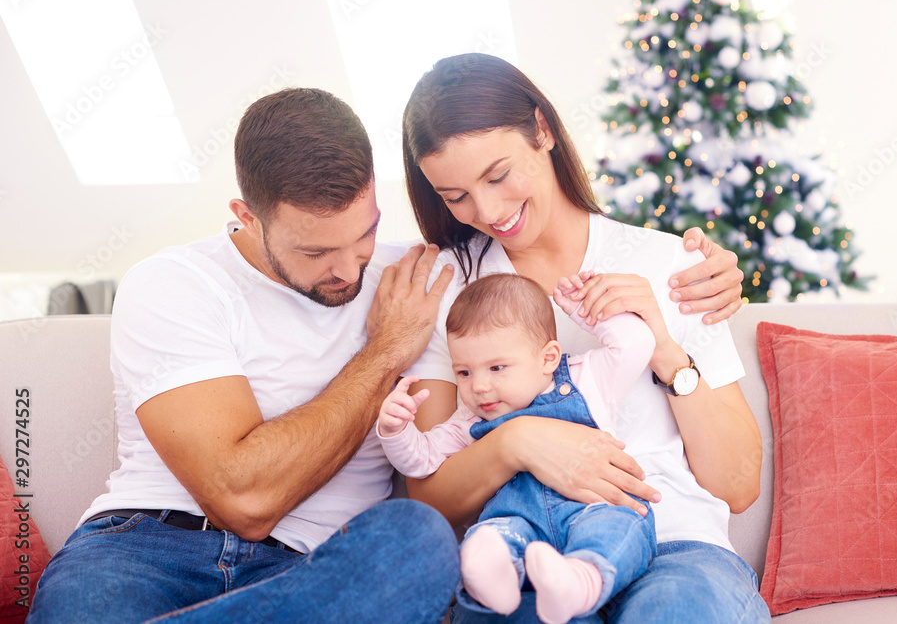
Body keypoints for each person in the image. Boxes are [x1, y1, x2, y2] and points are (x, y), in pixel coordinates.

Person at [27, 88, 461, 623]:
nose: (350, 269)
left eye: (365, 233)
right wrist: (387, 350)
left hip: (313, 570)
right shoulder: (173, 283)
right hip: (145, 549)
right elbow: (243, 500)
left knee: (416, 543)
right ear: (246, 216)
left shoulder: (419, 283)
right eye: (315, 251)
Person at [400, 53, 769, 622]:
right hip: (527, 555)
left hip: (675, 546)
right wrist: (517, 442)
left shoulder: (668, 262)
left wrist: (667, 352)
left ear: (542, 130)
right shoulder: (449, 286)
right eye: (456, 196)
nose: (489, 210)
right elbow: (429, 499)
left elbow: (739, 484)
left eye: (498, 176)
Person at [378, 272, 657, 623]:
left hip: (593, 509)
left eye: (496, 367)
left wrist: (586, 311)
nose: (479, 386)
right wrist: (396, 430)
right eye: (463, 372)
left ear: (548, 358)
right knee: (490, 535)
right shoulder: (468, 421)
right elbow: (421, 462)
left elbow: (637, 344)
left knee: (622, 524)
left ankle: (579, 580)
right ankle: (492, 579)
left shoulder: (587, 379)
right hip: (518, 522)